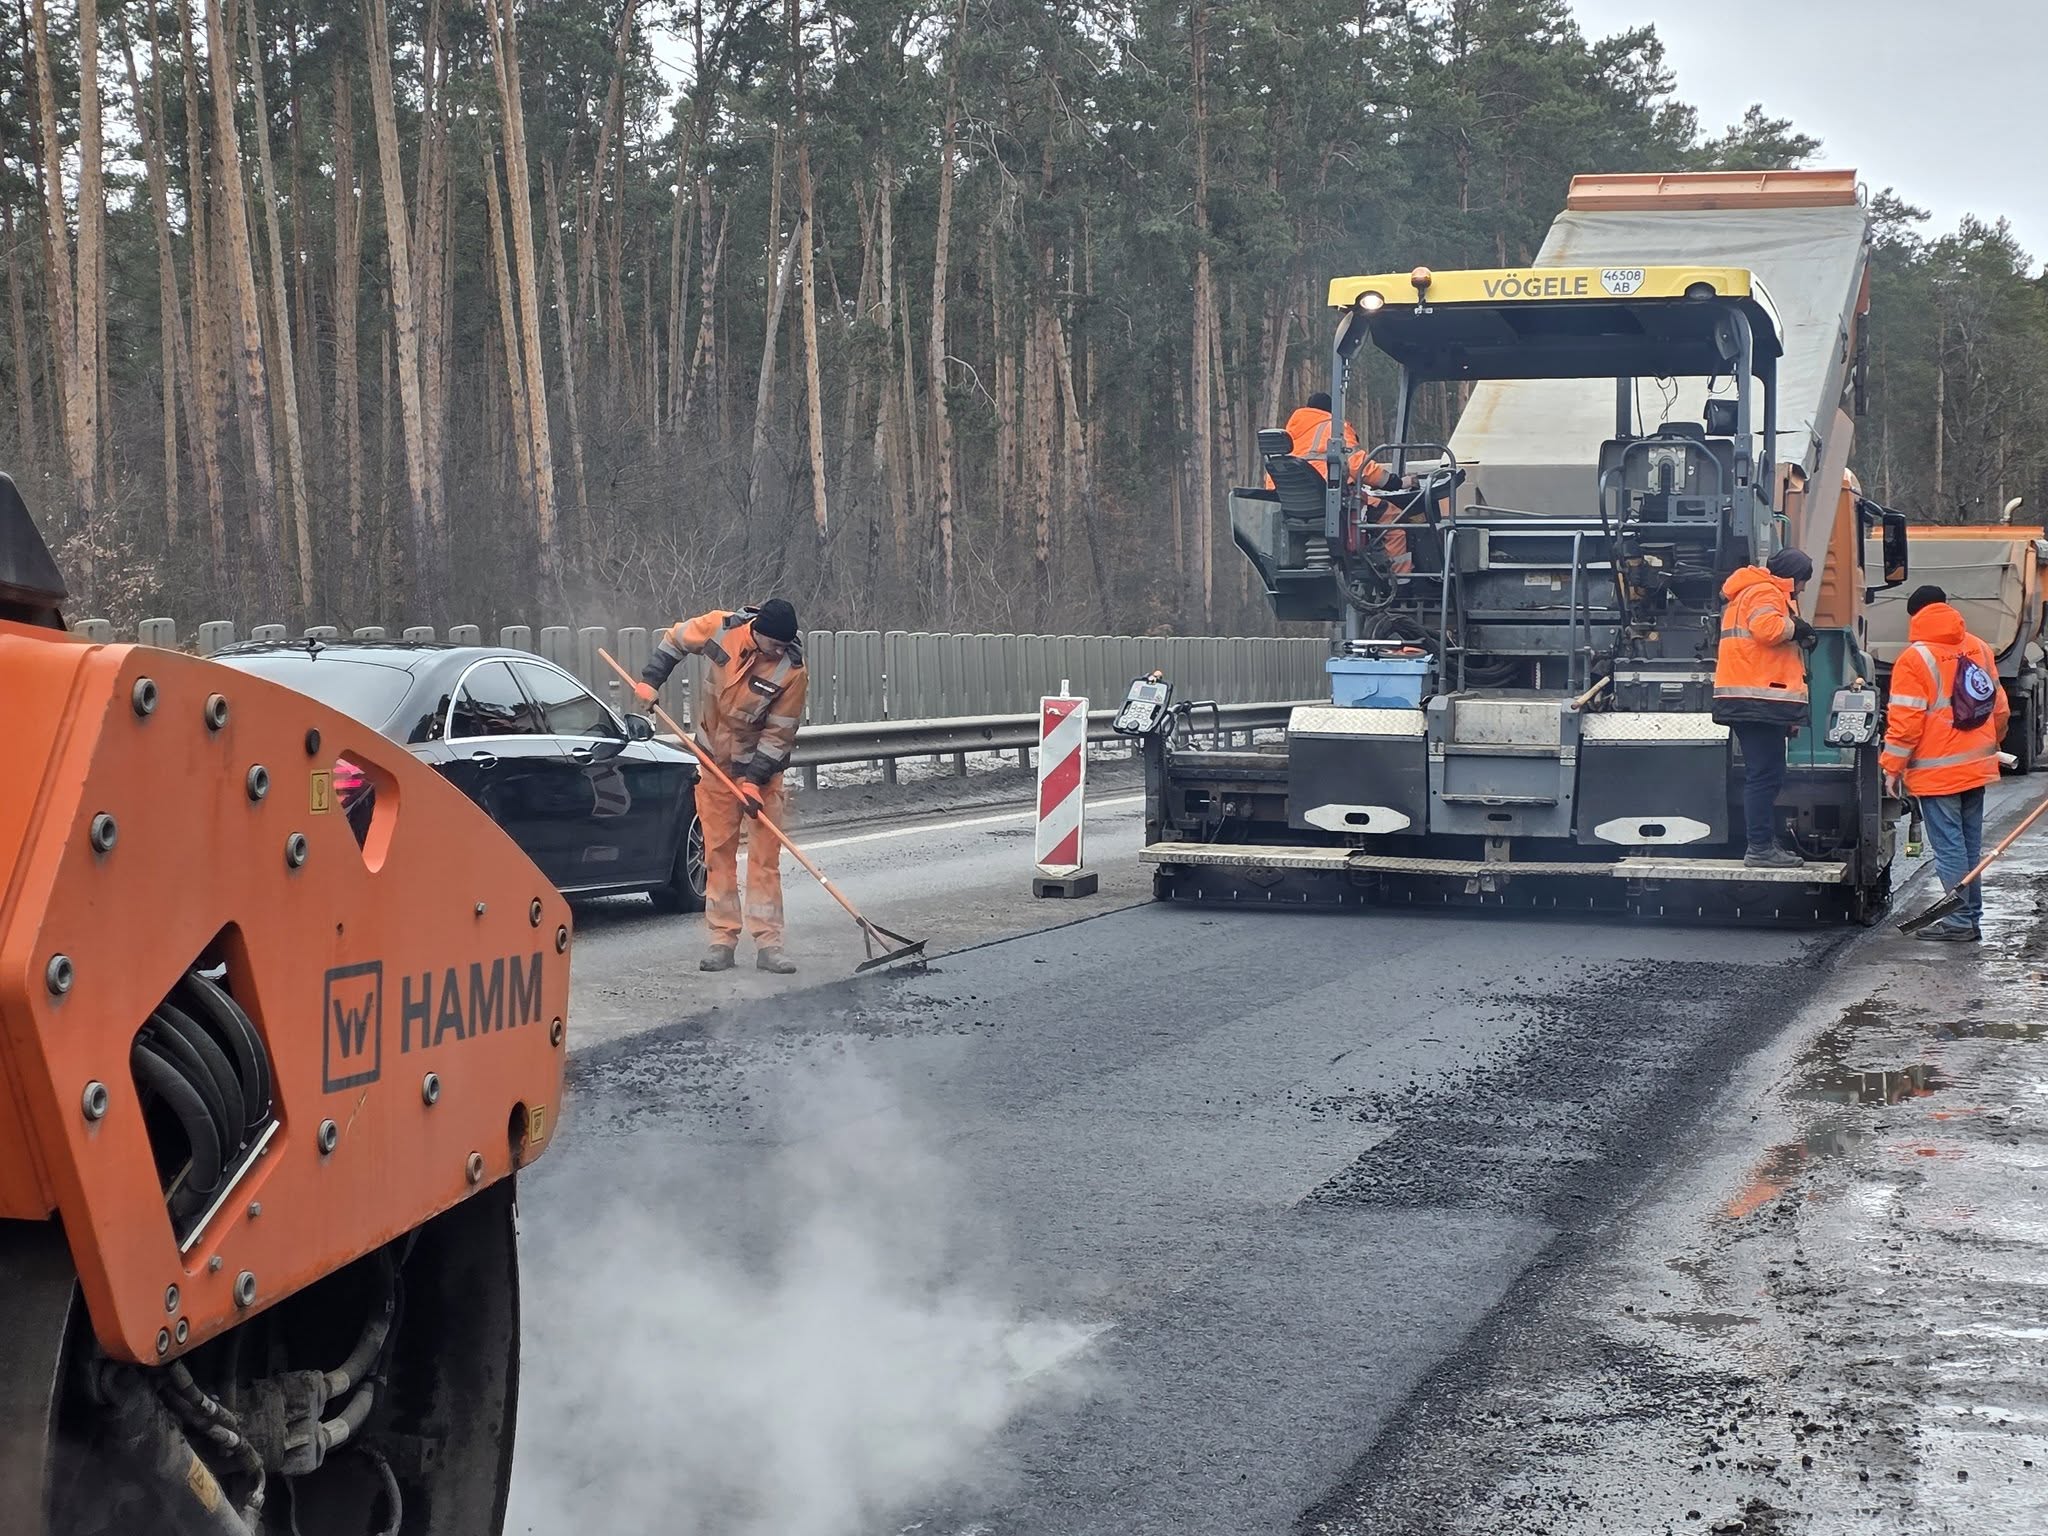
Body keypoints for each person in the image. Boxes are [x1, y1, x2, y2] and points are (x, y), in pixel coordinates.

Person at [635, 600, 808, 973]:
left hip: (761, 775)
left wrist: (753, 783)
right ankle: (722, 940)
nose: (779, 650)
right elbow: (675, 640)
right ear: (757, 631)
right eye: (774, 643)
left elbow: (779, 735)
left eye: (784, 645)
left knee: (764, 859)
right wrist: (650, 682)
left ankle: (769, 944)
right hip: (714, 766)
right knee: (717, 855)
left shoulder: (790, 671)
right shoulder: (721, 629)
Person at [1881, 583, 2008, 942]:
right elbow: (1998, 707)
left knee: (1950, 847)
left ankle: (1958, 923)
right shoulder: (1979, 648)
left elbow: (1906, 722)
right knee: (1969, 847)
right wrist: (1989, 746)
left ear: (1915, 617)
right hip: (1976, 766)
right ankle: (1970, 918)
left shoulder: (1915, 659)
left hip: (1938, 771)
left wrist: (1892, 767)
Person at [1713, 547, 1818, 867]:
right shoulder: (1765, 591)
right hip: (1756, 699)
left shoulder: (1751, 590)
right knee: (1765, 776)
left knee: (1766, 774)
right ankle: (1759, 848)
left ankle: (1763, 843)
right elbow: (1768, 630)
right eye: (1802, 581)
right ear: (1792, 577)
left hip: (1754, 698)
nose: (1801, 588)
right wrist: (1798, 628)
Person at [1269, 391, 1416, 573]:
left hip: (1292, 509)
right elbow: (1360, 466)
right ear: (1331, 410)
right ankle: (1402, 584)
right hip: (1334, 503)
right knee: (1394, 519)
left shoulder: (1290, 434)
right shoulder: (1334, 428)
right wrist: (1396, 482)